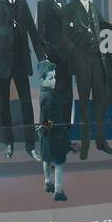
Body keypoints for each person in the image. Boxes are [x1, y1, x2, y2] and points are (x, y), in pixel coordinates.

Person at [0, 0, 44, 159]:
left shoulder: (23, 5)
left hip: (20, 62)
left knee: (27, 105)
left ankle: (30, 146)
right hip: (2, 64)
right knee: (4, 106)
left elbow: (34, 34)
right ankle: (8, 143)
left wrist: (43, 59)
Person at [63, 0, 112, 159]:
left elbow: (104, 30)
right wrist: (75, 56)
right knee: (84, 105)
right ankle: (85, 146)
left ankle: (101, 141)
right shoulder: (69, 9)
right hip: (82, 65)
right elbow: (64, 38)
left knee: (100, 103)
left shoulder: (93, 8)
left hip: (97, 64)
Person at [37, 60, 69, 201]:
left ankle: (47, 182)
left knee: (46, 159)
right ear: (42, 79)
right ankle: (58, 190)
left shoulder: (44, 93)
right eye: (51, 78)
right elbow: (47, 119)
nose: (54, 80)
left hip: (47, 135)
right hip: (55, 135)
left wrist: (44, 133)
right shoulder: (49, 98)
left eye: (55, 77)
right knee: (59, 163)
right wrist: (49, 132)